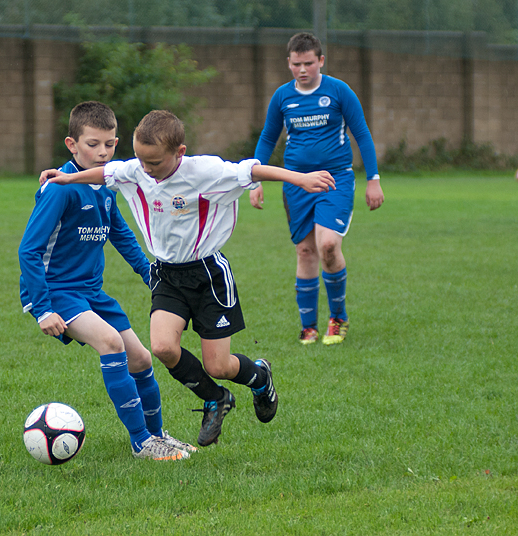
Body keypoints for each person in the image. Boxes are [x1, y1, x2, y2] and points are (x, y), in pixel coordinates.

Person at [40, 110, 336, 447]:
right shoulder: (137, 168)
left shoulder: (205, 171)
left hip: (209, 275)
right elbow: (106, 172)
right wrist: (66, 179)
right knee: (163, 348)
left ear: (179, 153)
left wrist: (300, 179)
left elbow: (252, 169)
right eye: (140, 160)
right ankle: (215, 399)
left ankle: (259, 377)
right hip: (167, 274)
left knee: (219, 365)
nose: (146, 170)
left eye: (154, 162)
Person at [19, 102, 194, 461]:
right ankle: (141, 442)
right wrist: (41, 309)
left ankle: (158, 435)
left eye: (110, 144)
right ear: (72, 144)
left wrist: (154, 278)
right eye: (93, 144)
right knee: (111, 344)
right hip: (57, 293)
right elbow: (28, 251)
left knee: (142, 359)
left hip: (91, 293)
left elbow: (124, 238)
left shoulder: (105, 186)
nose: (103, 152)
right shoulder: (60, 189)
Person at [251, 32, 385, 346]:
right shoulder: (283, 97)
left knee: (327, 246)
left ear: (321, 61)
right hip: (296, 183)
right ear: (288, 62)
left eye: (309, 63)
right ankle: (308, 326)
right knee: (306, 251)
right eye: (296, 64)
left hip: (334, 180)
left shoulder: (339, 91)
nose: (302, 70)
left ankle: (337, 318)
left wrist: (374, 179)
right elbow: (268, 138)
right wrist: (254, 179)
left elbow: (362, 135)